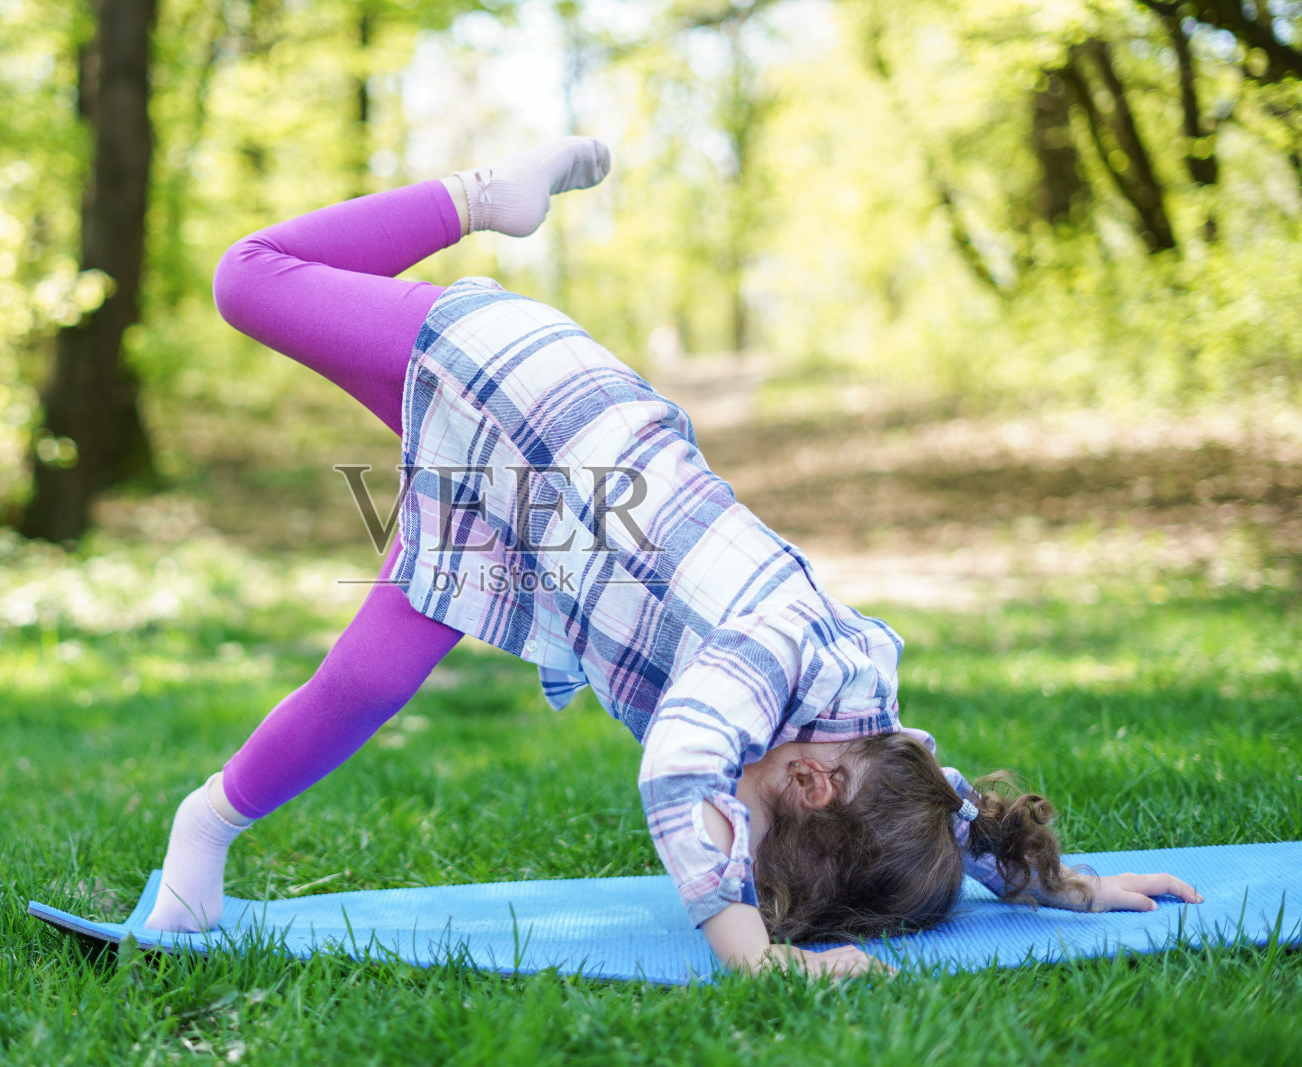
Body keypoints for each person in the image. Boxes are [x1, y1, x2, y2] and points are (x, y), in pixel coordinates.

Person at [141, 138, 1202, 978]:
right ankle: (485, 196)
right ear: (809, 778)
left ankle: (206, 822)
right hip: (537, 400)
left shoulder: (865, 737)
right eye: (750, 826)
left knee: (367, 680)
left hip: (534, 516)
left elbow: (936, 802)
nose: (729, 825)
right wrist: (752, 950)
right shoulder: (768, 660)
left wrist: (1053, 883)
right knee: (248, 276)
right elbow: (678, 764)